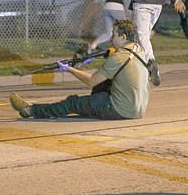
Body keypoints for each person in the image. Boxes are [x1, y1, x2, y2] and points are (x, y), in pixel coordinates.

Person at [10, 19, 150, 120]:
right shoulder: (140, 51)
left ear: (123, 37)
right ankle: (92, 105)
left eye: (114, 34)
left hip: (119, 110)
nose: (111, 38)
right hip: (138, 110)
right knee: (104, 83)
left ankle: (30, 110)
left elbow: (91, 81)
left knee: (73, 102)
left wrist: (70, 69)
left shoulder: (119, 57)